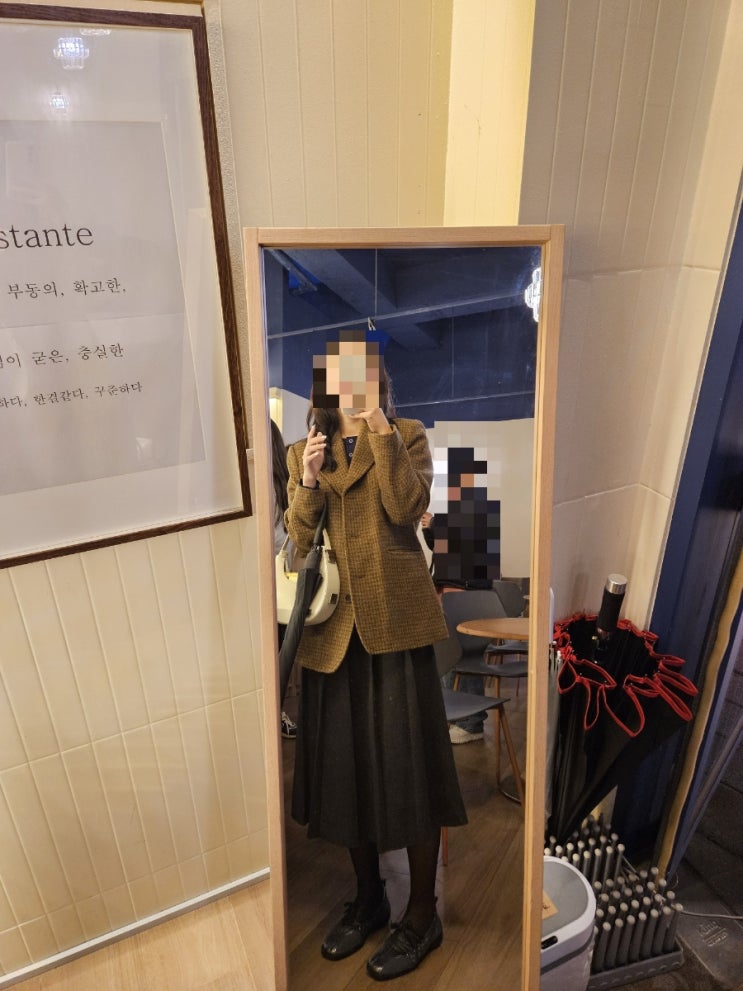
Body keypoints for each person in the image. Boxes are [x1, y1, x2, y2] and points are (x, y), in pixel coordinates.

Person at [284, 331, 466, 981]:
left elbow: (407, 508)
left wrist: (382, 431)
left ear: (379, 381)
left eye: (362, 374)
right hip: (332, 635)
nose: (350, 386)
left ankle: (422, 913)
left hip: (395, 628)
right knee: (344, 774)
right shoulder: (301, 449)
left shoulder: (407, 434)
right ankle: (369, 898)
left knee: (410, 771)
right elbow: (297, 540)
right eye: (338, 376)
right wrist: (308, 480)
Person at [270, 417, 297, 741]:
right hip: (286, 577)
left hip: (267, 577)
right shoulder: (284, 479)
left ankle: (273, 714)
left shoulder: (269, 482)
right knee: (278, 653)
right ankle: (276, 713)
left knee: (269, 655)